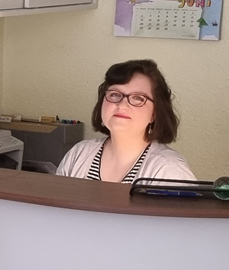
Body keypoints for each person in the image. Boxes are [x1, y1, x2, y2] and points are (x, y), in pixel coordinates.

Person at [56, 59, 195, 183]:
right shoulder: (79, 153)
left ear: (154, 113)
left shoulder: (170, 170)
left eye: (138, 98)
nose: (122, 105)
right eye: (115, 94)